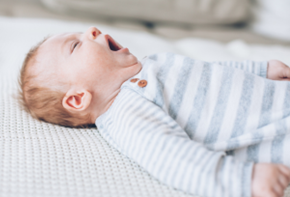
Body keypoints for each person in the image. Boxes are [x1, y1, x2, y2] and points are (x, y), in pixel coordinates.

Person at [19, 26, 290, 197]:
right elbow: (171, 158)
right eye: (75, 45)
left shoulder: (152, 64)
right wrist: (243, 180)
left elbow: (209, 73)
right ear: (78, 98)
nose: (91, 30)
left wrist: (259, 70)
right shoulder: (126, 111)